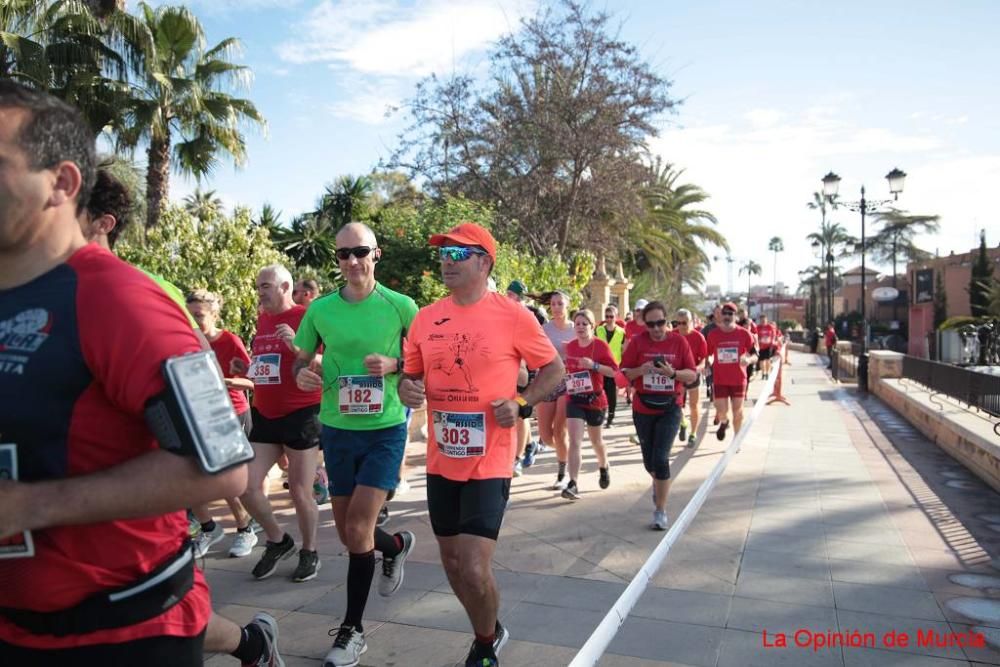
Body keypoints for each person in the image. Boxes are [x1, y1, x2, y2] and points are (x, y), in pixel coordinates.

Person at [0, 80, 280, 665]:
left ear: (62, 183)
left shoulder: (122, 300)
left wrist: (31, 506)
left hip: (123, 632)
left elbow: (223, 465)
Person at [74, 160, 282, 665]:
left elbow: (219, 461)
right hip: (33, 577)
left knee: (166, 624)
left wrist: (39, 503)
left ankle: (251, 632)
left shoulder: (136, 295)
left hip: (124, 559)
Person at [399, 223, 563, 667]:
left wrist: (523, 403)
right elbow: (410, 377)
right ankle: (486, 628)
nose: (446, 261)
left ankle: (486, 644)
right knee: (452, 564)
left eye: (458, 253)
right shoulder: (426, 317)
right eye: (443, 253)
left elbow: (554, 369)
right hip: (441, 459)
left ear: (485, 261)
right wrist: (407, 390)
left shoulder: (513, 316)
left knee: (473, 565)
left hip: (489, 460)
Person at [292, 223, 418, 666]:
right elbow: (302, 361)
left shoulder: (400, 305)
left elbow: (425, 361)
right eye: (343, 254)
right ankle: (397, 546)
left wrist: (396, 364)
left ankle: (352, 630)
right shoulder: (321, 309)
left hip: (384, 428)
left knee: (360, 526)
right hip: (337, 428)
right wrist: (303, 374)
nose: (351, 262)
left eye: (359, 252)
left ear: (375, 254)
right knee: (351, 534)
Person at [239, 264, 324, 583]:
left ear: (285, 287)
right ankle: (278, 540)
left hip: (301, 413)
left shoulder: (307, 317)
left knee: (300, 491)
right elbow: (265, 364)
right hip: (265, 414)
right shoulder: (263, 319)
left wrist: (296, 347)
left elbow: (325, 363)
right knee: (245, 485)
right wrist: (246, 367)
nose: (260, 292)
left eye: (266, 286)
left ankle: (310, 551)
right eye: (259, 286)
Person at [186, 289, 261, 559]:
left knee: (225, 478)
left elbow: (254, 379)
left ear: (214, 314)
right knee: (189, 475)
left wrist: (226, 382)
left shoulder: (229, 340)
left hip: (231, 414)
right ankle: (208, 528)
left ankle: (245, 529)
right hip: (198, 415)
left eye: (199, 315)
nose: (194, 321)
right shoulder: (185, 340)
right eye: (189, 315)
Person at [620, 301, 697, 530]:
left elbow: (691, 374)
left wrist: (672, 373)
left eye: (660, 323)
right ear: (645, 323)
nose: (656, 328)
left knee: (661, 459)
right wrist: (640, 370)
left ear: (667, 321)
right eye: (651, 324)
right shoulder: (638, 342)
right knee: (649, 461)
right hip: (643, 408)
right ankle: (658, 484)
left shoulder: (678, 341)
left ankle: (660, 509)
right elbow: (624, 373)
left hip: (670, 407)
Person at [561, 308, 619, 500]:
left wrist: (593, 365)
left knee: (596, 442)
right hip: (574, 398)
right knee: (575, 442)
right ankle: (573, 483)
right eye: (577, 324)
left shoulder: (600, 346)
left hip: (595, 399)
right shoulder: (569, 346)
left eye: (585, 324)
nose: (580, 327)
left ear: (592, 326)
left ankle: (604, 466)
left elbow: (613, 372)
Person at [538, 290, 575, 490]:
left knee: (559, 431)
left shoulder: (576, 328)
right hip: (548, 380)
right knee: (545, 435)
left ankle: (563, 474)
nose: (557, 307)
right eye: (553, 304)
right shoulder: (545, 329)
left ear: (567, 305)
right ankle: (565, 451)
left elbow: (589, 348)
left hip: (569, 381)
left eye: (560, 303)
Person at [705, 303, 757, 441]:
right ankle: (724, 422)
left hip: (738, 379)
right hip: (720, 379)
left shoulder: (744, 334)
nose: (727, 316)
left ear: (736, 316)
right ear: (720, 315)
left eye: (730, 314)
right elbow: (709, 354)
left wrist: (749, 360)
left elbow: (755, 355)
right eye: (725, 313)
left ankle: (736, 440)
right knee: (721, 411)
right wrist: (708, 363)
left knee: (738, 412)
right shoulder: (713, 334)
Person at [674, 308, 707, 448]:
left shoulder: (698, 337)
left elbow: (704, 360)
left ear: (691, 322)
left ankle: (693, 434)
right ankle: (683, 422)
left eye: (685, 322)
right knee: (676, 405)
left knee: (694, 405)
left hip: (693, 375)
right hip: (676, 375)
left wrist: (697, 369)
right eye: (679, 323)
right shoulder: (672, 336)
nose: (682, 326)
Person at [595, 305, 626, 428]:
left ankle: (611, 417)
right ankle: (600, 414)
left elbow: (624, 350)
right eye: (607, 316)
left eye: (611, 316)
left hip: (614, 367)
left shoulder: (621, 332)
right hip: (600, 366)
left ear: (616, 317)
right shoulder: (599, 330)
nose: (608, 319)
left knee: (611, 393)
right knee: (599, 391)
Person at [756, 313, 779, 380]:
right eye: (761, 320)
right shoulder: (758, 327)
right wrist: (758, 341)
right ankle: (763, 373)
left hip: (768, 346)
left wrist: (772, 341)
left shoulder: (770, 327)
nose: (763, 321)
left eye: (764, 320)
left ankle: (767, 373)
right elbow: (756, 335)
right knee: (761, 361)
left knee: (767, 360)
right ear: (760, 320)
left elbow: (774, 335)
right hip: (761, 346)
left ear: (766, 320)